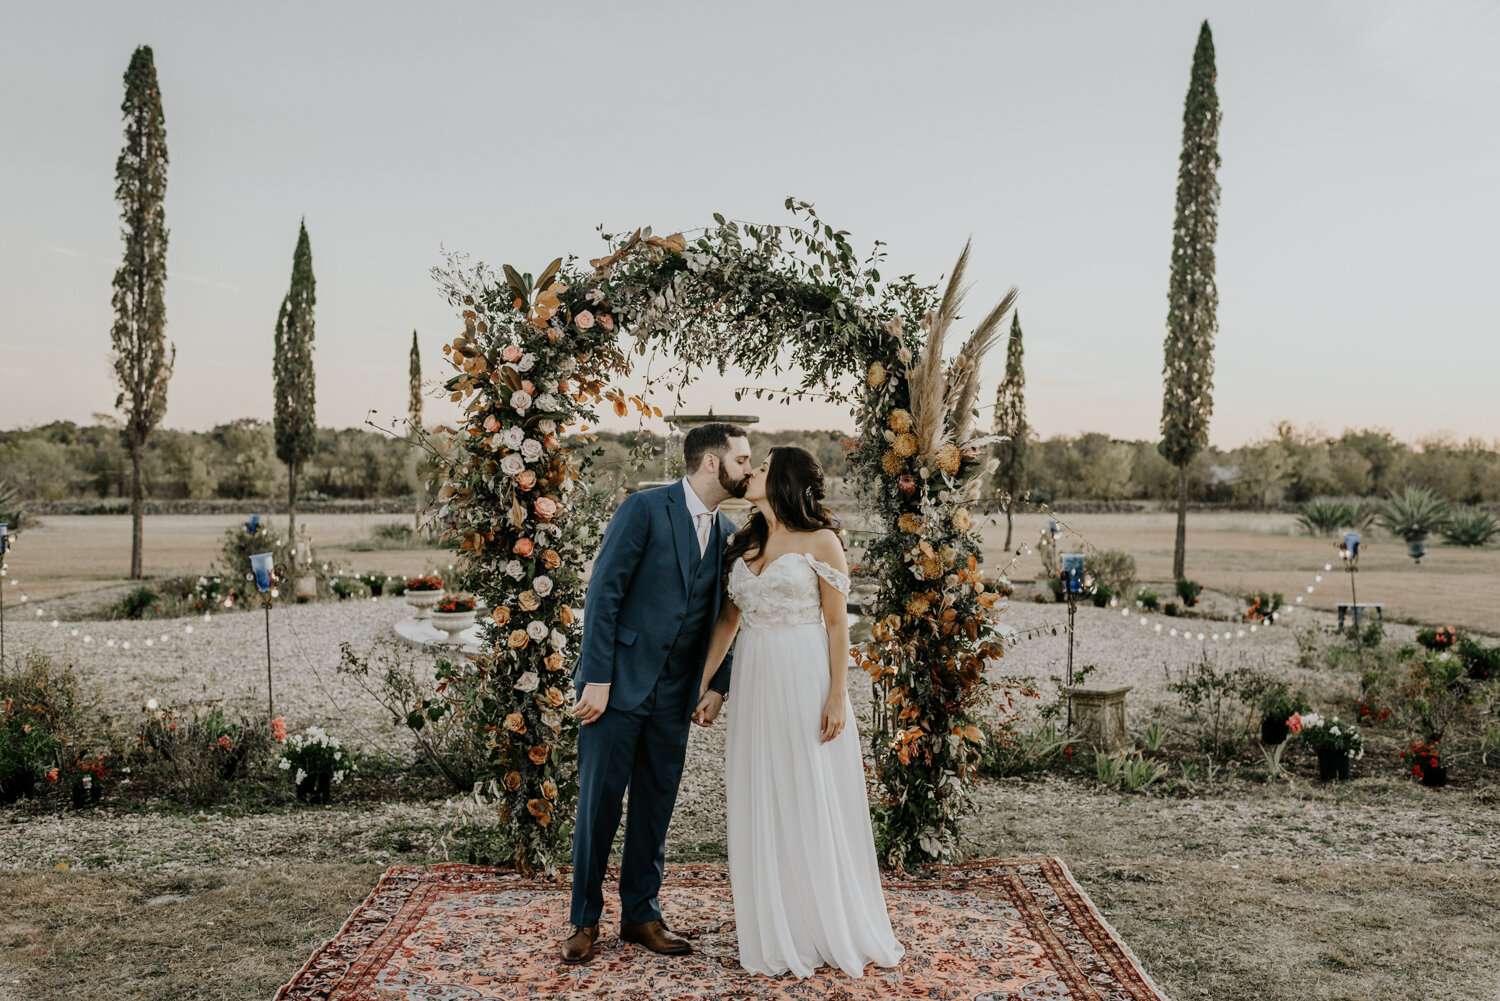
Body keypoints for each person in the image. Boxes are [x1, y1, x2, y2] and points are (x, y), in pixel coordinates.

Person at [697, 446, 905, 978]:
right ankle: (776, 921)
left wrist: (838, 695)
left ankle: (822, 920)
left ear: (784, 479)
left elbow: (838, 625)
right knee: (763, 789)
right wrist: (699, 686)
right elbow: (726, 623)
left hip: (805, 674)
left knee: (808, 790)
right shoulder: (742, 541)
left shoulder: (822, 540)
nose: (752, 473)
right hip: (758, 679)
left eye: (762, 467)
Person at [561, 422, 752, 965]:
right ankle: (583, 920)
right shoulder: (644, 509)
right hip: (616, 688)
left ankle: (641, 915)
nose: (747, 468)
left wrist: (717, 683)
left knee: (654, 808)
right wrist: (596, 676)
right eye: (741, 460)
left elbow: (727, 616)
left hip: (675, 696)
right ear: (712, 463)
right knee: (598, 807)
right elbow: (605, 592)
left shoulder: (727, 533)